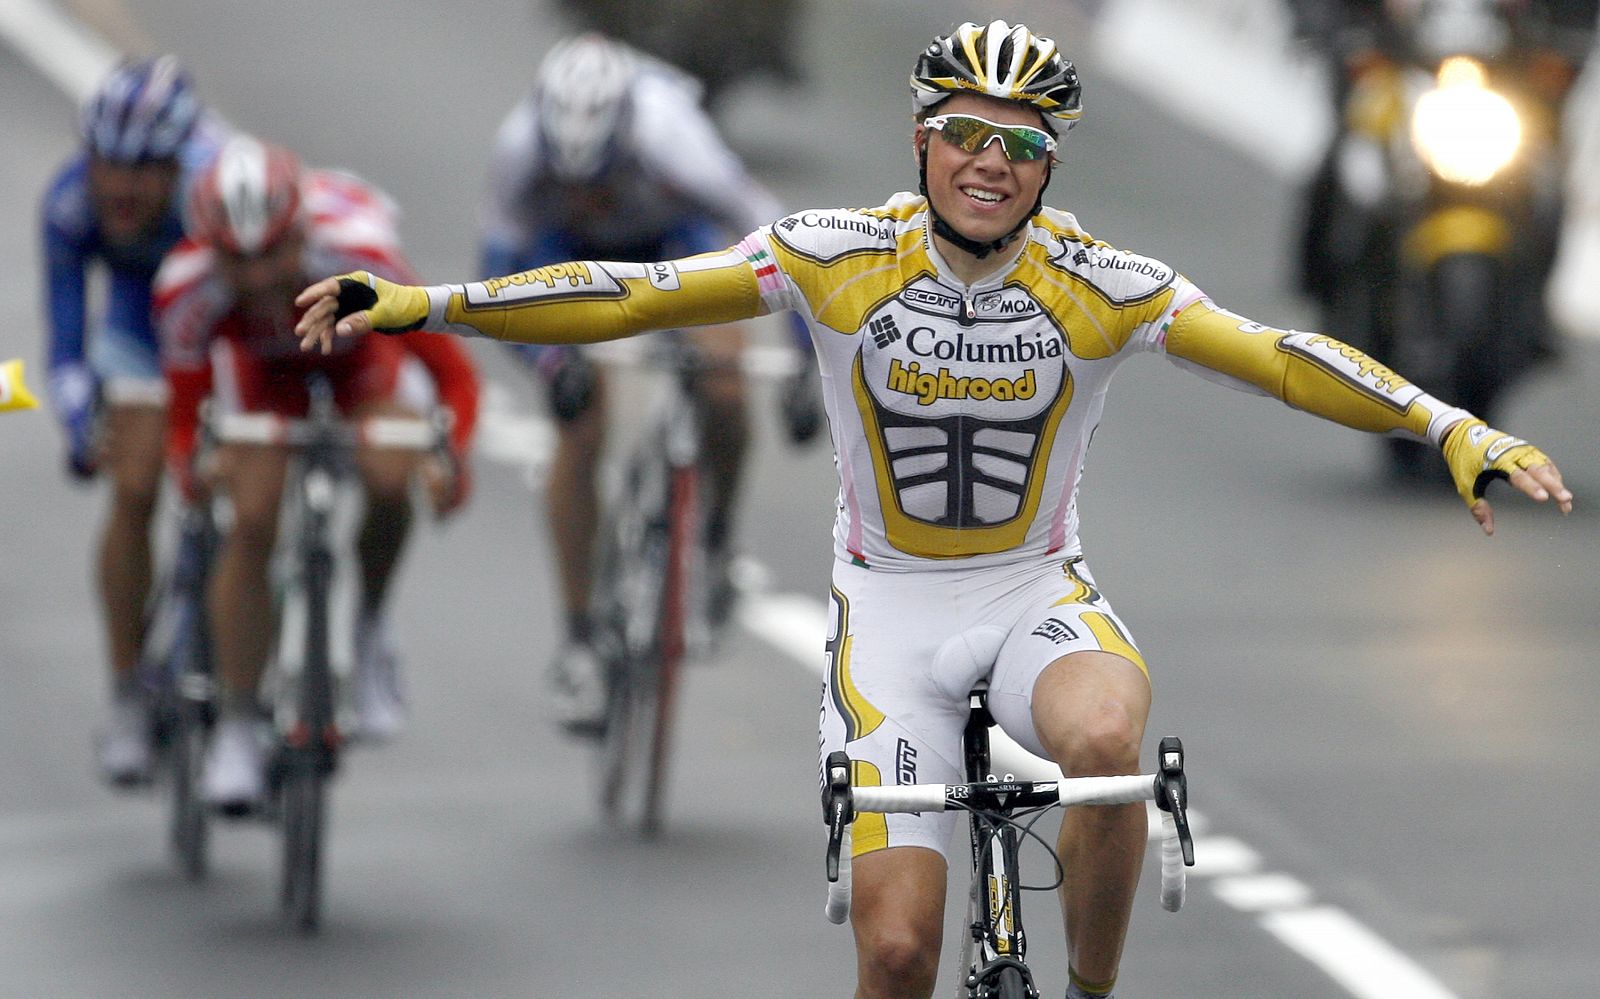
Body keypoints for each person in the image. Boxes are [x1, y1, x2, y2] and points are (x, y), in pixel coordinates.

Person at [296, 20, 1572, 998]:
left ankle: (1087, 988)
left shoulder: (1102, 285)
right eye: (966, 132)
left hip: (1033, 592)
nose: (988, 163)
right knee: (898, 957)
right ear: (920, 138)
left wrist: (1446, 425)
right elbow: (635, 295)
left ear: (1047, 168)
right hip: (891, 616)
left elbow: (1281, 355)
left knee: (1107, 740)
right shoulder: (829, 256)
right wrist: (430, 305)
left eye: (1020, 146)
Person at [478, 32, 819, 734]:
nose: (588, 190)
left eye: (599, 174)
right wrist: (551, 365)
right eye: (573, 180)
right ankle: (577, 640)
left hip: (677, 242)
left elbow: (780, 242)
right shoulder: (519, 151)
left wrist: (802, 364)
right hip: (567, 252)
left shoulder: (674, 138)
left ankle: (716, 542)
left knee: (723, 381)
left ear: (625, 138)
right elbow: (497, 273)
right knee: (579, 424)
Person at [160, 135, 480, 810]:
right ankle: (239, 728)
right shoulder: (187, 289)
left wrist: (452, 457)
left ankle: (367, 629)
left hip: (361, 372)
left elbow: (452, 374)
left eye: (274, 253)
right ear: (210, 248)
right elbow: (186, 413)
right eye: (236, 261)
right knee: (250, 518)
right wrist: (197, 468)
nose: (257, 279)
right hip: (263, 386)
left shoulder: (363, 260)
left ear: (301, 230)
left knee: (394, 473)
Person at [40, 56, 227, 785]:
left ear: (178, 163)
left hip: (219, 325)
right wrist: (82, 415)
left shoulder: (212, 194)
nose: (119, 186)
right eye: (105, 165)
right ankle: (125, 691)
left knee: (241, 476)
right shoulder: (69, 204)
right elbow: (65, 343)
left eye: (143, 169)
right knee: (136, 481)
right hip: (137, 323)